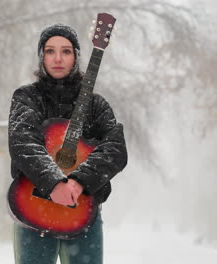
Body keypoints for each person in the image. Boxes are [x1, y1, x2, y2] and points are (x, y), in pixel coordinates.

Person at [7, 23, 128, 264]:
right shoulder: (27, 97)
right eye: (50, 51)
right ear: (42, 56)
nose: (58, 58)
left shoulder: (96, 105)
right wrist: (54, 183)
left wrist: (78, 181)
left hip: (82, 215)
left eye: (66, 51)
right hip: (34, 212)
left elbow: (115, 149)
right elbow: (23, 143)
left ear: (76, 56)